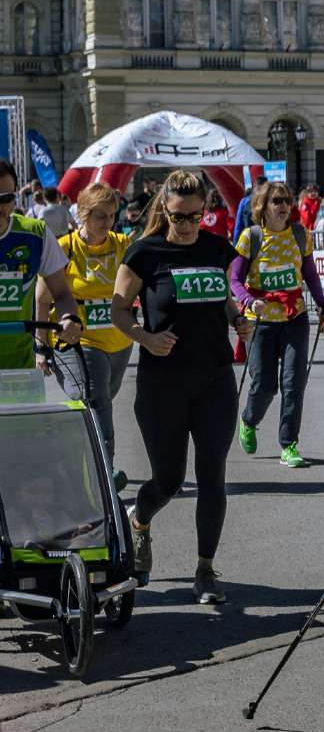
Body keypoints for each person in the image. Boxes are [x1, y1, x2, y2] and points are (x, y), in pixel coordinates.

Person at [110, 170, 254, 603]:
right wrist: (145, 339)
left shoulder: (215, 248)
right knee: (168, 480)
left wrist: (237, 319)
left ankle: (206, 570)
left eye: (197, 216)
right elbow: (119, 310)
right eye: (180, 217)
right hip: (163, 385)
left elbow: (223, 298)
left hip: (214, 380)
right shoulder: (144, 253)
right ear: (164, 210)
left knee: (213, 477)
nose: (189, 225)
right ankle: (140, 520)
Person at [38, 183, 132, 488]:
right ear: (83, 215)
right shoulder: (64, 248)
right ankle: (106, 473)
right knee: (97, 400)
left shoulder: (122, 244)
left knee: (97, 405)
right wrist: (41, 347)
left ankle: (84, 463)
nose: (108, 223)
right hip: (77, 341)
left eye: (112, 215)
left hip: (119, 341)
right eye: (100, 216)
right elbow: (42, 299)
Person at [231, 178, 324, 469]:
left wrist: (323, 306)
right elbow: (234, 280)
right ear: (263, 206)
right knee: (265, 385)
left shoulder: (300, 235)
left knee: (294, 383)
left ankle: (289, 444)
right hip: (261, 321)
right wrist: (249, 301)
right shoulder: (251, 237)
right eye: (277, 201)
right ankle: (249, 419)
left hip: (294, 317)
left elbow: (310, 275)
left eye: (287, 200)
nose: (283, 206)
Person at [0, 161, 86, 379]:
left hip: (21, 366)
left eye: (5, 199)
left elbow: (62, 294)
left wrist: (68, 318)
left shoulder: (35, 234)